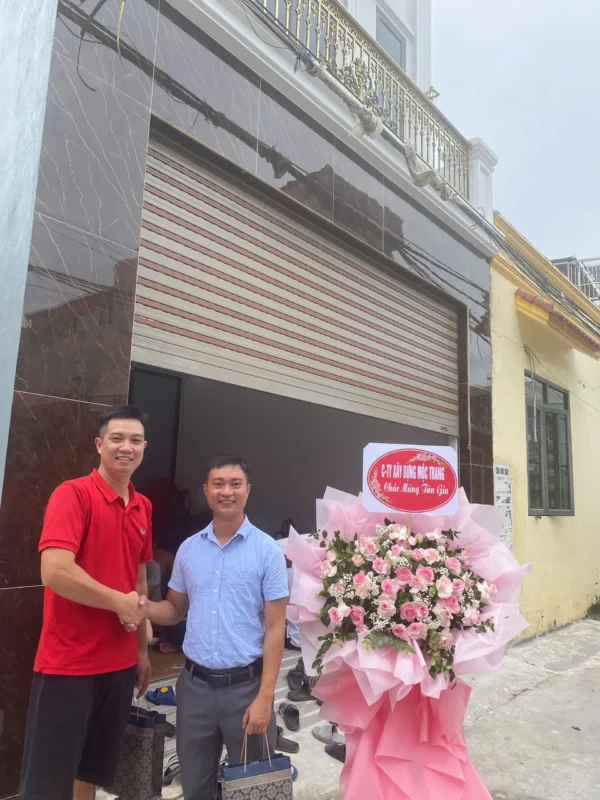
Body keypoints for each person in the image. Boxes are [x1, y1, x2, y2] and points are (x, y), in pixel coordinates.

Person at [19, 405, 154, 800]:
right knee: (48, 781)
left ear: (144, 447)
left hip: (120, 665)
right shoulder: (73, 495)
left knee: (89, 772)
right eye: (117, 438)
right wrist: (118, 603)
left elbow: (139, 580)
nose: (126, 447)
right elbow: (55, 571)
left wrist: (141, 651)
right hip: (70, 663)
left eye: (135, 440)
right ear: (99, 444)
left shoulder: (143, 506)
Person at [148, 455, 289, 800]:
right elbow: (174, 610)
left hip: (247, 689)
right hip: (194, 689)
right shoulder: (188, 549)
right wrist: (139, 607)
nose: (226, 491)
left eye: (235, 484)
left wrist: (265, 698)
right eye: (218, 484)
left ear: (247, 490)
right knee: (195, 785)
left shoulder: (267, 551)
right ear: (206, 491)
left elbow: (276, 627)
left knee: (253, 787)